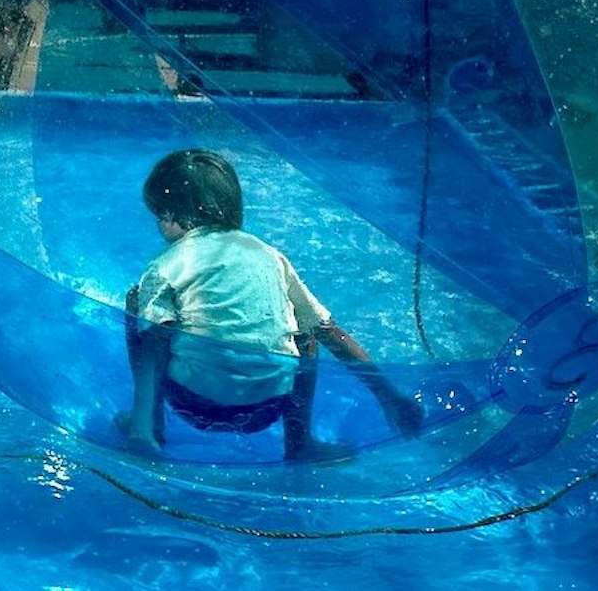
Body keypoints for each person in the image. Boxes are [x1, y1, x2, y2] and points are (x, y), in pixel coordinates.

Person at [124, 148, 423, 461]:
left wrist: (139, 434)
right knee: (306, 333)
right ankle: (300, 444)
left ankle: (147, 426)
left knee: (141, 307)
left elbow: (156, 343)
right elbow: (330, 332)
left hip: (196, 404)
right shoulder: (270, 256)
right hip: (266, 407)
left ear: (171, 214)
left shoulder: (167, 264)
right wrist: (391, 397)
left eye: (159, 215)